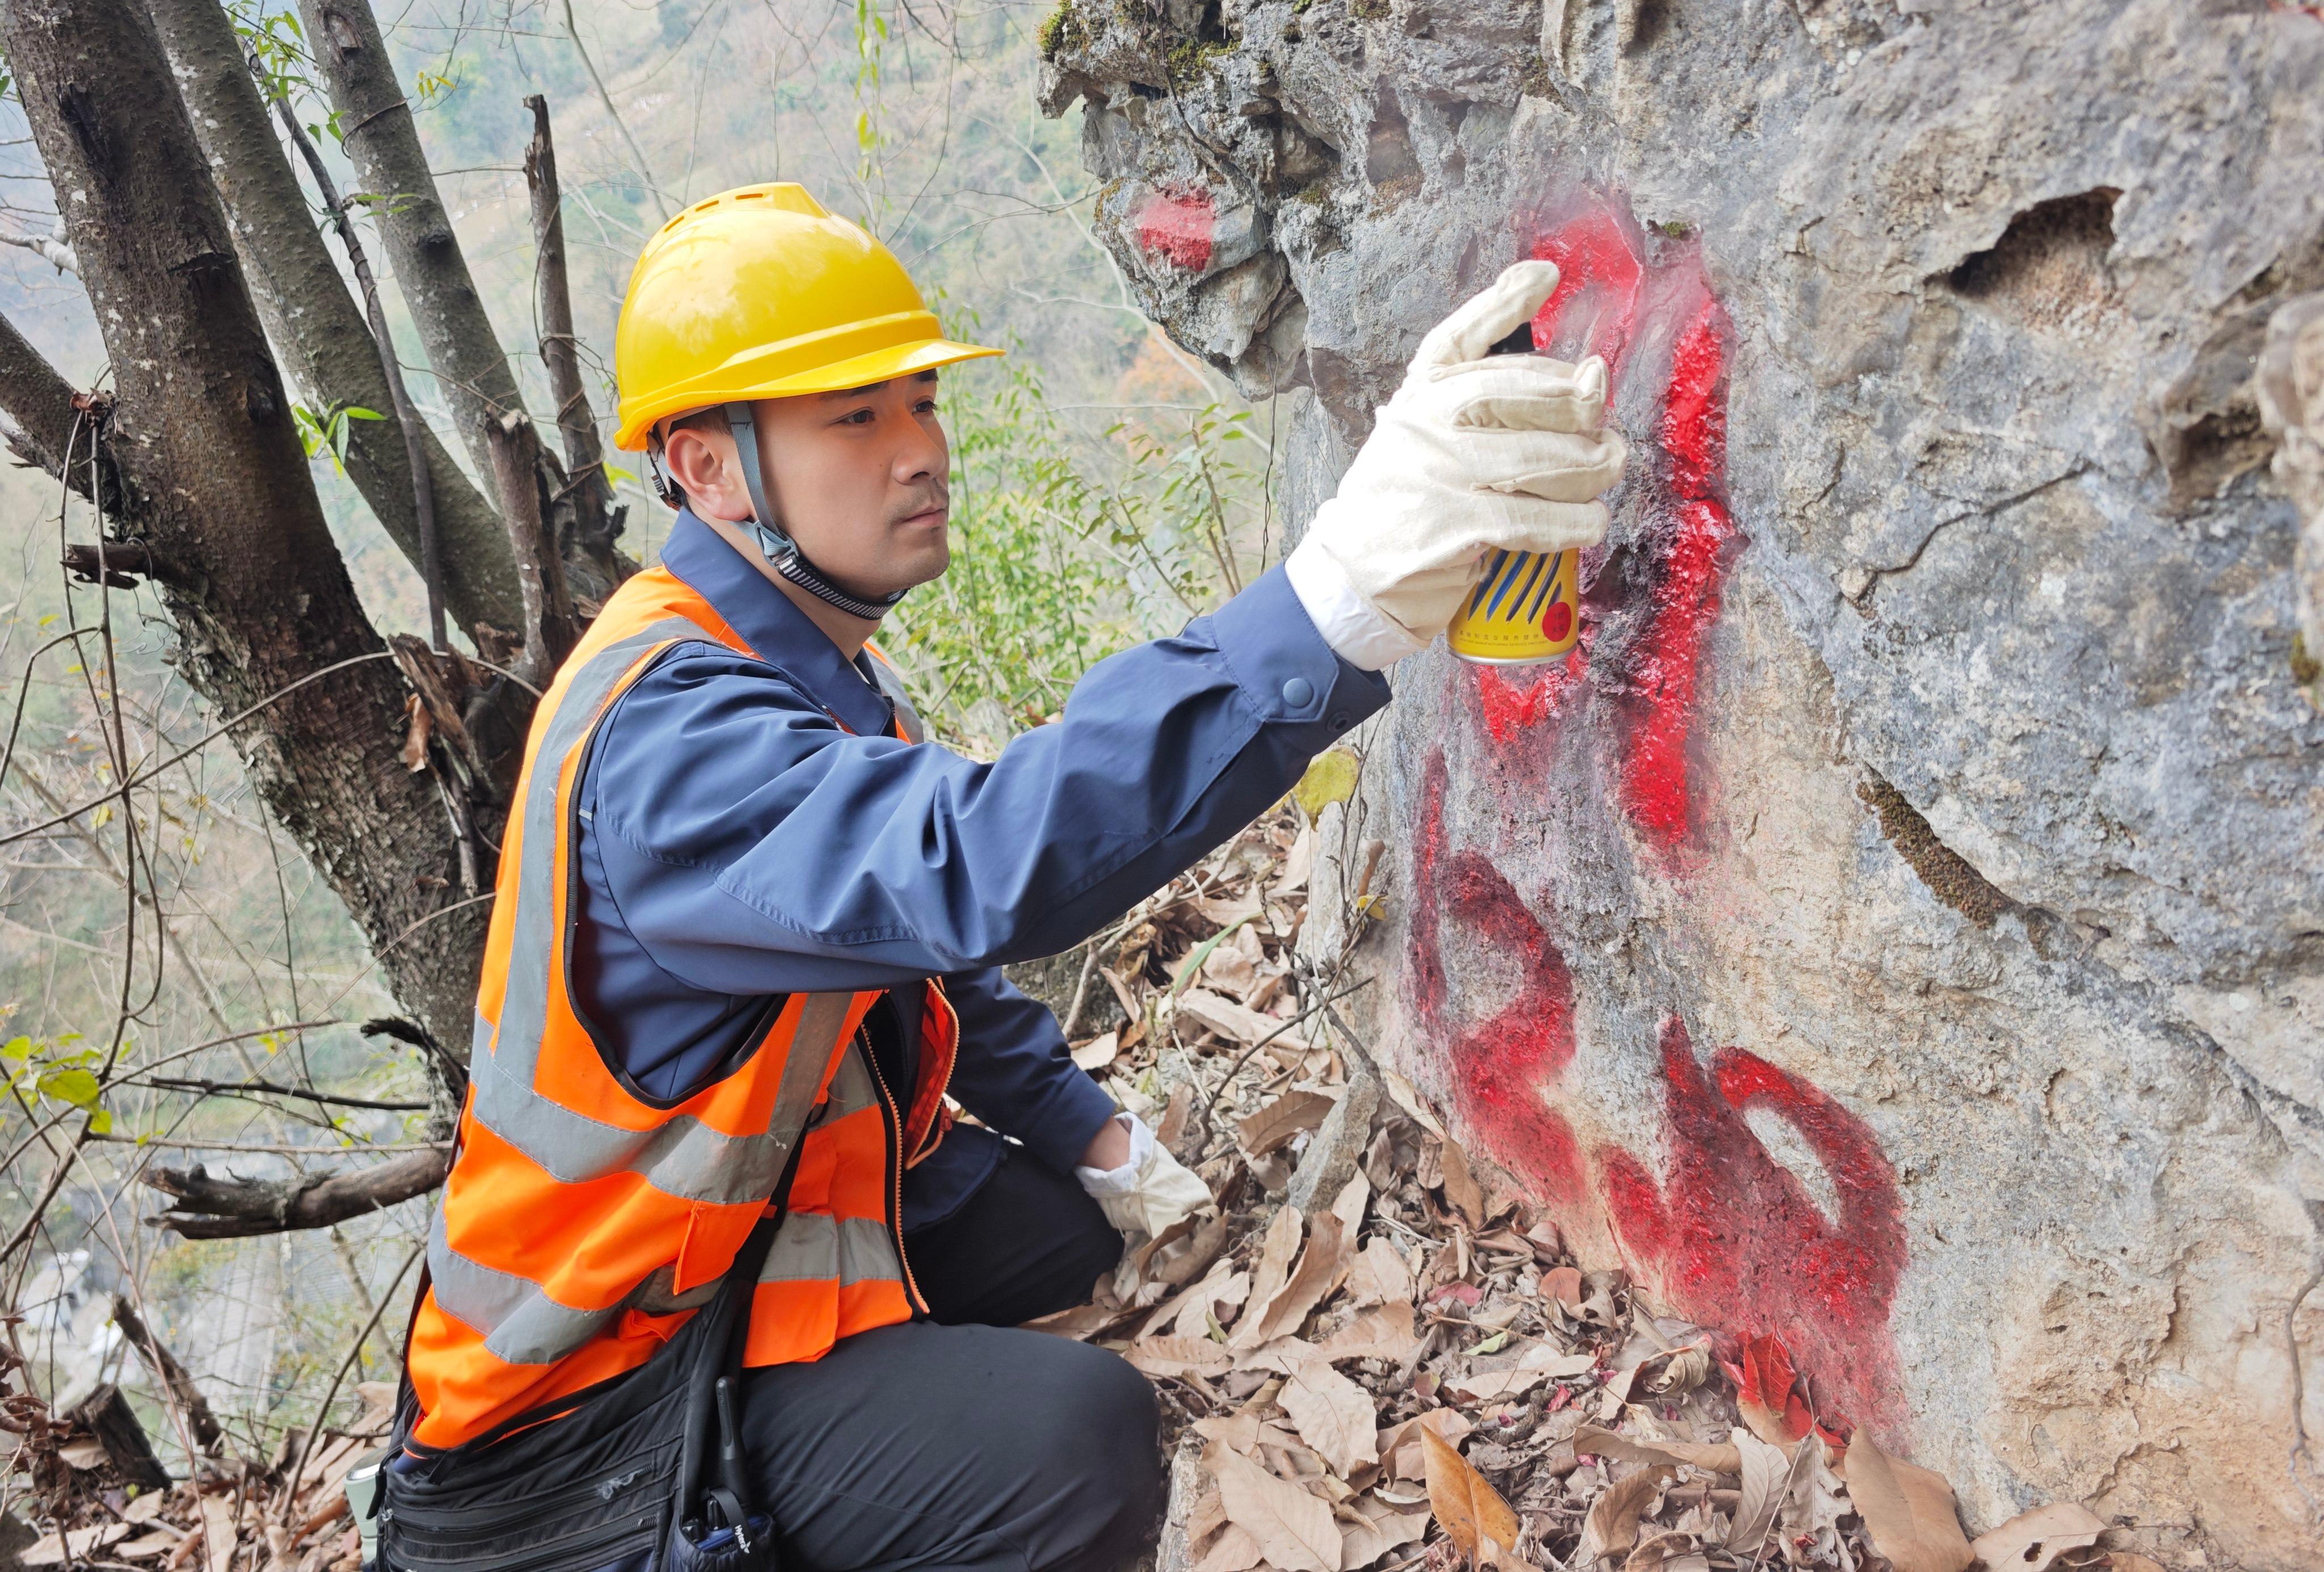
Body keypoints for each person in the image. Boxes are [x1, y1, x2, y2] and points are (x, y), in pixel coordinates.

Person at [393, 184, 1623, 1572]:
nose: (918, 450)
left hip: (724, 1262)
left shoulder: (793, 666)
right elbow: (973, 861)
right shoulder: (674, 743)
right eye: (853, 418)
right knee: (1072, 1440)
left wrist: (1095, 1137)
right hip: (577, 1419)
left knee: (1047, 1235)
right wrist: (1323, 601)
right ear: (709, 469)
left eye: (919, 401)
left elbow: (917, 955)